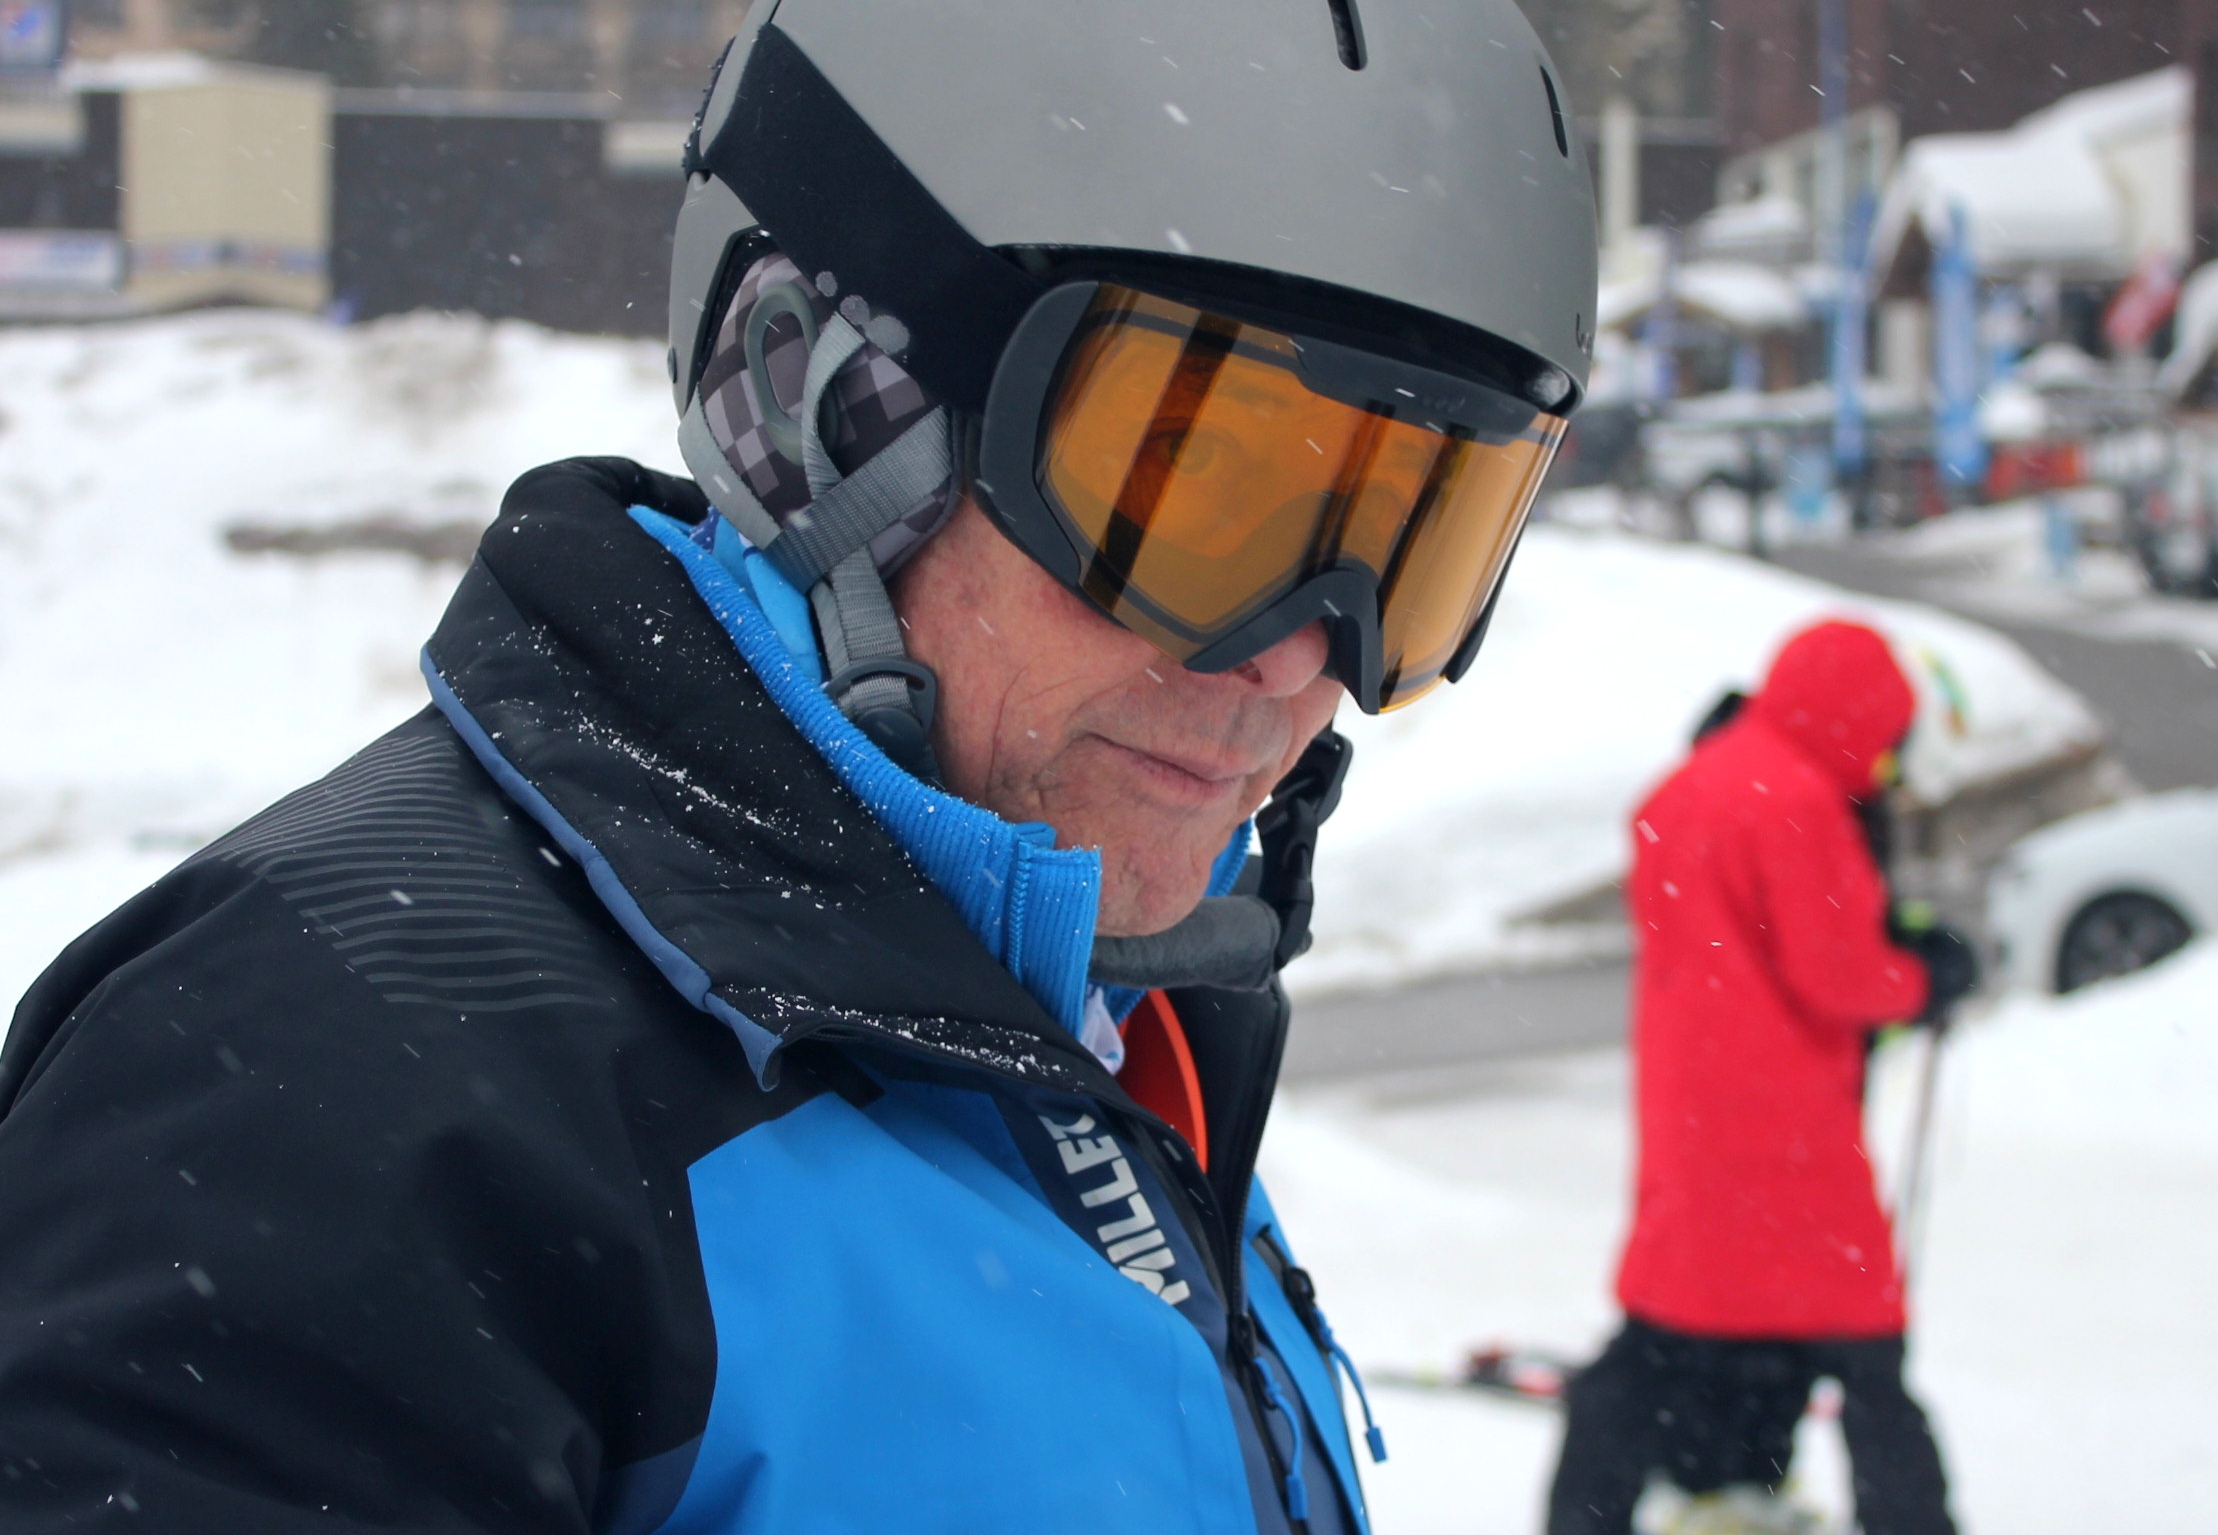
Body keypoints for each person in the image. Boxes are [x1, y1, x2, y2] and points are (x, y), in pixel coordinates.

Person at [0, 2, 1599, 1530]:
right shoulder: (324, 1080)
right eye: (1197, 495)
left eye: (1414, 535)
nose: (1302, 658)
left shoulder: (1113, 1013)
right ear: (812, 404)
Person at [1545, 620, 1977, 1535]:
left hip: (1690, 1105)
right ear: (1862, 717)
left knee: (1671, 1321)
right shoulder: (1802, 800)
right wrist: (1926, 974)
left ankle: (1606, 1510)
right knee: (1862, 1345)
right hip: (1786, 1119)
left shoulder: (1693, 782)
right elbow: (1840, 973)